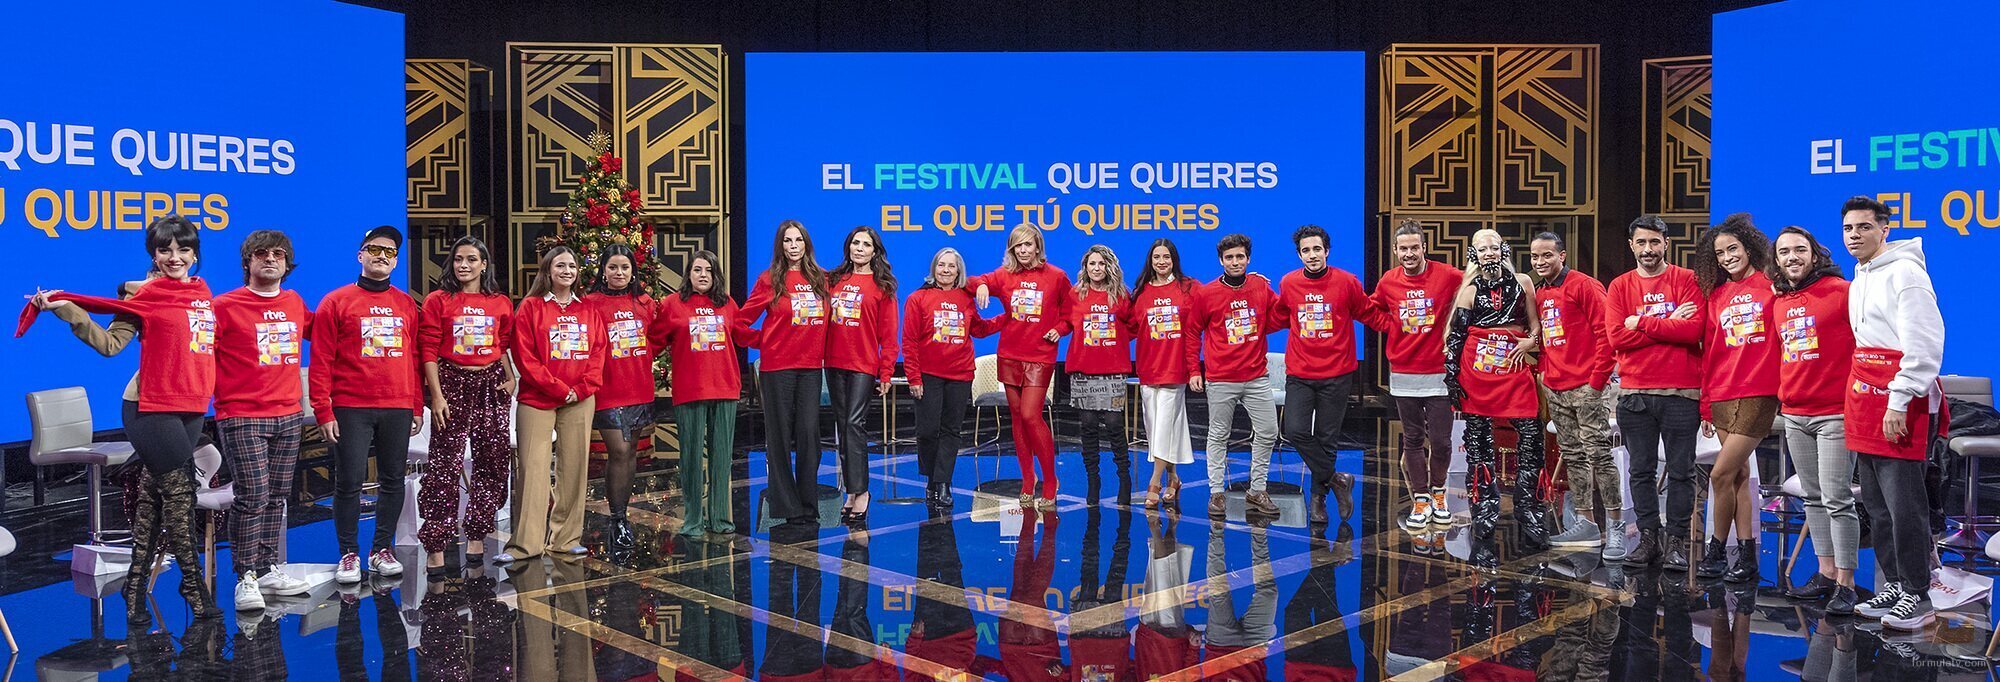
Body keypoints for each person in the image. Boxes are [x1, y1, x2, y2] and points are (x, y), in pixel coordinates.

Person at [24, 215, 222, 624]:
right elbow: (111, 346)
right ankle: (191, 584)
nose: (174, 257)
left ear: (195, 254)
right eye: (164, 249)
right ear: (153, 254)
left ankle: (133, 588)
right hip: (148, 406)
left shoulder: (202, 293)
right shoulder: (144, 297)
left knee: (153, 497)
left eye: (183, 249)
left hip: (191, 406)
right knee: (181, 494)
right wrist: (69, 311)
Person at [1841, 195, 1946, 631]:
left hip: (1898, 401)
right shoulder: (1860, 275)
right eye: (1848, 228)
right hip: (1865, 396)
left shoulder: (1906, 274)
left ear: (1885, 229)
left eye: (1864, 227)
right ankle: (1896, 583)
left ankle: (1918, 593)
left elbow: (1923, 347)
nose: (1854, 236)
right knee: (1878, 505)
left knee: (1906, 505)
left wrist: (1899, 400)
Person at [309, 225, 424, 584]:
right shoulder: (336, 301)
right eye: (374, 249)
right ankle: (348, 554)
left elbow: (416, 358)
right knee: (350, 482)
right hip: (350, 406)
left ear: (395, 261)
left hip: (398, 405)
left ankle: (381, 550)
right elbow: (321, 359)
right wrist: (322, 409)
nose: (381, 256)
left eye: (389, 252)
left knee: (392, 480)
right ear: (360, 255)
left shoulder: (407, 304)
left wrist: (417, 406)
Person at [211, 230, 315, 610]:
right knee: (252, 495)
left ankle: (269, 566)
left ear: (287, 264)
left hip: (288, 412)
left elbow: (323, 332)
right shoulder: (224, 305)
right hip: (241, 414)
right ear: (247, 263)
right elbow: (200, 351)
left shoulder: (294, 301)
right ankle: (245, 576)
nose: (269, 259)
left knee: (276, 498)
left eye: (277, 254)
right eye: (260, 253)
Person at [1604, 215, 1704, 570]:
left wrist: (1642, 322)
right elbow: (1618, 338)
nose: (1648, 250)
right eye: (1641, 243)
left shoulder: (1688, 280)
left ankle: (1676, 541)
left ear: (1666, 243)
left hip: (1681, 393)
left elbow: (1692, 332)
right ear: (1631, 245)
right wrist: (1670, 321)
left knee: (1681, 471)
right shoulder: (1619, 286)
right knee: (1641, 472)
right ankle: (1648, 537)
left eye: (1655, 242)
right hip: (1634, 393)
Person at [1770, 226, 1860, 614]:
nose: (1792, 257)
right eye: (1784, 251)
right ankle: (1824, 573)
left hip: (1836, 413)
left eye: (1799, 250)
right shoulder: (1778, 303)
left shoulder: (1843, 292)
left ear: (1814, 253)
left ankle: (1846, 582)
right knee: (1813, 498)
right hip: (1795, 413)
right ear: (1777, 260)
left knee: (1838, 498)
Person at [499, 246, 607, 563]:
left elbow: (598, 353)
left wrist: (581, 388)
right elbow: (525, 356)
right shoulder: (530, 308)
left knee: (574, 467)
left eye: (572, 265)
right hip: (538, 398)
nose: (567, 270)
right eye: (561, 265)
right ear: (548, 270)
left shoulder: (587, 309)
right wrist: (559, 389)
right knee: (532, 469)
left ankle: (566, 538)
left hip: (580, 398)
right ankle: (525, 545)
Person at [416, 235, 516, 574]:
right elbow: (427, 349)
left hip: (490, 383)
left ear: (483, 264)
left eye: (471, 259)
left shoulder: (500, 302)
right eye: (458, 259)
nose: (464, 265)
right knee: (444, 464)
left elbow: (502, 344)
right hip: (451, 381)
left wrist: (510, 375)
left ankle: (477, 536)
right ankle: (436, 544)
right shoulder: (438, 300)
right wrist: (437, 395)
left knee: (492, 460)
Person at [1445, 229, 1545, 556]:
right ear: (1474, 255)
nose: (1489, 252)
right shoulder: (1469, 291)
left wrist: (1531, 341)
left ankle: (1527, 506)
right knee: (1478, 438)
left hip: (1513, 366)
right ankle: (1484, 509)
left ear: (1503, 249)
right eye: (1481, 248)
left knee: (1531, 433)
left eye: (1493, 246)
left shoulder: (1524, 282)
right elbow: (1455, 337)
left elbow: (1535, 326)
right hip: (1476, 367)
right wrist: (1451, 376)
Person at [1690, 214, 1779, 583]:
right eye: (1720, 253)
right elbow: (1711, 351)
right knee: (1740, 475)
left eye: (1733, 249)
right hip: (1723, 393)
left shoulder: (1772, 286)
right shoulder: (1719, 295)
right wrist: (1706, 402)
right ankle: (1746, 558)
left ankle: (1715, 548)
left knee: (1721, 474)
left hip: (1758, 394)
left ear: (1749, 247)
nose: (1727, 257)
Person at [1529, 232, 1621, 557]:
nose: (1541, 262)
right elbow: (1543, 337)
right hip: (1555, 387)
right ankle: (1586, 523)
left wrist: (1597, 383)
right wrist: (1543, 371)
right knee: (1574, 455)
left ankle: (1616, 525)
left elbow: (1607, 334)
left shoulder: (1584, 285)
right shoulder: (1539, 292)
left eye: (1547, 256)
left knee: (1599, 455)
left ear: (1562, 256)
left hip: (1587, 386)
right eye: (1535, 257)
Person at [1368, 220, 1465, 529]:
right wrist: (1392, 326)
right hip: (1404, 373)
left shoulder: (1447, 275)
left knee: (1441, 441)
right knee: (1411, 439)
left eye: (1414, 247)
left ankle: (1439, 494)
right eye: (1403, 249)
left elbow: (1475, 286)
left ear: (1424, 247)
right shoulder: (1388, 281)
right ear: (1396, 250)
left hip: (1438, 372)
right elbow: (1371, 310)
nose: (1409, 254)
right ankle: (1420, 499)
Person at [1272, 224, 1371, 524]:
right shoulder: (1289, 282)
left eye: (1317, 249)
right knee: (1295, 431)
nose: (1312, 255)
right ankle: (1337, 480)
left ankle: (1317, 499)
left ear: (1327, 251)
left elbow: (1367, 312)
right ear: (1299, 254)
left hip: (1337, 373)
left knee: (1326, 438)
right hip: (1301, 372)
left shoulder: (1346, 281)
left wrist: (1400, 326)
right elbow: (1278, 315)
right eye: (1306, 250)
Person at [972, 224, 1076, 509]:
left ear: (1038, 246)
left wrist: (1060, 329)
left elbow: (1071, 313)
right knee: (1018, 418)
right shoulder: (1004, 275)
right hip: (1010, 355)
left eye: (1028, 245)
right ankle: (1028, 480)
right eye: (1018, 246)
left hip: (1040, 356)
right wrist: (981, 284)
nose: (1024, 250)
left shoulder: (1056, 276)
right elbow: (973, 281)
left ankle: (1051, 480)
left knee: (1031, 415)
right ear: (1012, 249)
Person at [736, 220, 830, 527]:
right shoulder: (769, 279)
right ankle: (786, 506)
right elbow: (740, 323)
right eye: (788, 240)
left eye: (799, 240)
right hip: (777, 368)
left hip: (811, 368)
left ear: (806, 244)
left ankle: (807, 502)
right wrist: (762, 341)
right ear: (781, 246)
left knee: (808, 434)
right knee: (778, 437)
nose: (793, 245)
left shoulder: (820, 279)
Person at [653, 250, 754, 538]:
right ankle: (694, 519)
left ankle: (720, 518)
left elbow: (743, 336)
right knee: (691, 457)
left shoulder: (727, 304)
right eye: (697, 270)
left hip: (725, 387)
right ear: (689, 274)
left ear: (716, 275)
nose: (703, 275)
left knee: (722, 457)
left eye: (709, 271)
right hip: (689, 389)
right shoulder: (673, 305)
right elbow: (654, 340)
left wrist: (776, 334)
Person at [1191, 233, 1284, 520]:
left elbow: (1278, 316)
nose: (1235, 262)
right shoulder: (1206, 293)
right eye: (1229, 257)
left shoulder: (1260, 286)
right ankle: (1217, 492)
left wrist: (1254, 331)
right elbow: (1192, 332)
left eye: (1240, 257)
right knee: (1218, 435)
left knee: (1269, 431)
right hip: (1221, 377)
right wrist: (1195, 369)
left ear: (1248, 258)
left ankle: (1257, 490)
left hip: (1256, 376)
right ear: (1221, 260)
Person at [901, 248, 1000, 507]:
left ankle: (943, 482)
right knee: (927, 430)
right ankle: (931, 478)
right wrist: (913, 377)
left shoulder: (965, 298)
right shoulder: (917, 298)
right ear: (933, 268)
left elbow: (978, 329)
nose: (945, 270)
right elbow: (909, 341)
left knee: (951, 430)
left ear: (959, 272)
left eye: (951, 266)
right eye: (941, 265)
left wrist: (1007, 319)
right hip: (927, 375)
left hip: (960, 373)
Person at [824, 225, 899, 524]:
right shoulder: (834, 279)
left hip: (863, 365)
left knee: (855, 424)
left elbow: (889, 335)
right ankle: (852, 492)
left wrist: (886, 371)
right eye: (855, 243)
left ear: (875, 251)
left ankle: (862, 490)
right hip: (834, 362)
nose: (859, 248)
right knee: (844, 425)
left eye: (866, 245)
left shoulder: (883, 287)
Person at [585, 243, 656, 550]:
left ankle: (623, 516)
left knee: (631, 455)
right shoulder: (590, 303)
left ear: (633, 271)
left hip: (640, 387)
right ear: (603, 270)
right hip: (608, 389)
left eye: (625, 268)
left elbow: (660, 336)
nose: (619, 273)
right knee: (619, 451)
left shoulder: (645, 302)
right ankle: (616, 518)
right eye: (613, 267)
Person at [1127, 239, 1201, 509]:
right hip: (1148, 369)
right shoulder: (1141, 292)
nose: (1161, 261)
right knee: (1157, 427)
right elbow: (1129, 326)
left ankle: (1154, 482)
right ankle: (1174, 478)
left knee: (1163, 428)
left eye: (1166, 257)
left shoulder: (1189, 287)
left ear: (1174, 260)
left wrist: (1250, 283)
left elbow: (1217, 299)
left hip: (1175, 368)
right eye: (1156, 256)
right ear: (1150, 260)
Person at [1067, 244, 1135, 505]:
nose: (1097, 268)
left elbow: (1134, 325)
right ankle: (1093, 481)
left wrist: (1115, 341)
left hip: (1113, 370)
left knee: (1115, 426)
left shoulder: (1121, 295)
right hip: (1083, 370)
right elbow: (1064, 322)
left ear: (1110, 267)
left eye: (1102, 264)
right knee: (1088, 426)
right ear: (1085, 267)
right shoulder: (1074, 295)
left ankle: (1124, 478)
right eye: (1092, 264)